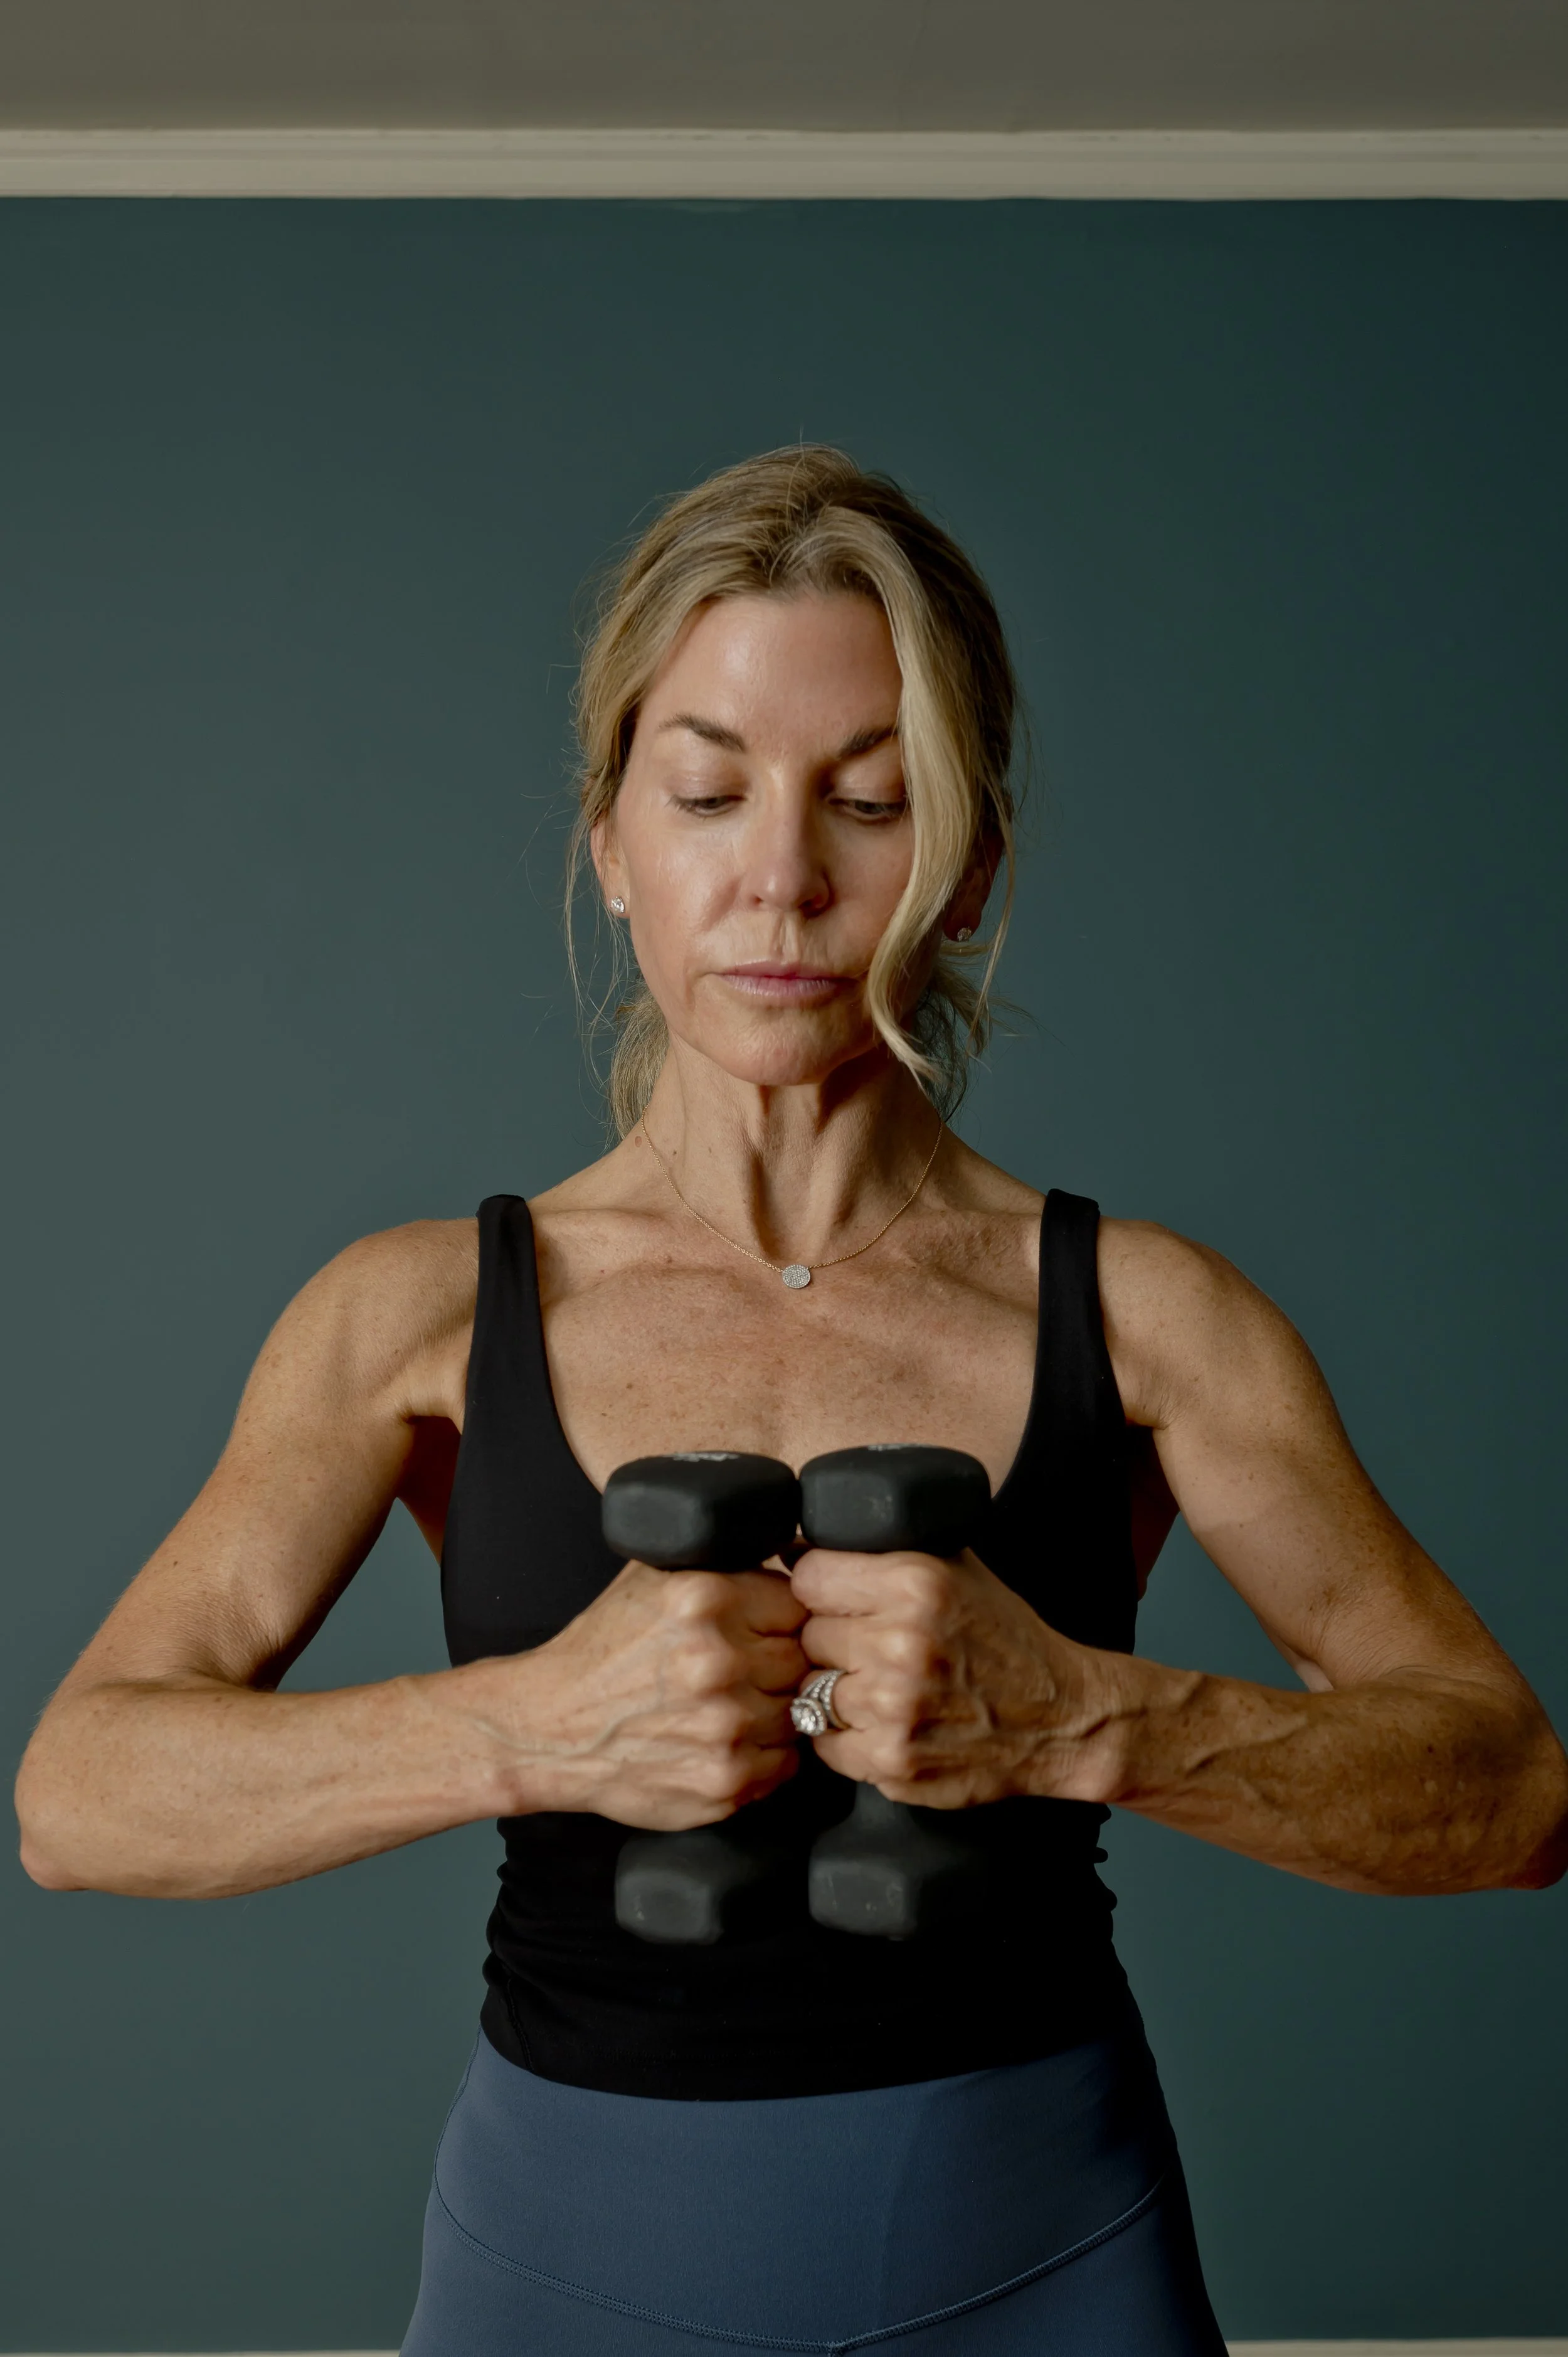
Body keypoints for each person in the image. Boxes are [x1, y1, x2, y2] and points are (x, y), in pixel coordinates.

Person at [16, 445, 1567, 2356]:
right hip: (563, 2269)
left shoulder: (1150, 1321)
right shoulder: (414, 1318)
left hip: (1047, 2262)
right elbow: (80, 1793)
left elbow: (1512, 1789)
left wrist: (1088, 1715)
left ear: (972, 864)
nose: (782, 876)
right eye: (706, 792)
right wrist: (528, 1726)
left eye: (873, 799)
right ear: (610, 841)